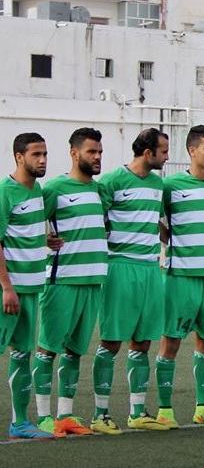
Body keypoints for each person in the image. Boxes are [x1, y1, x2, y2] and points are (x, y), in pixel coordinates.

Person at [91, 128, 170, 434]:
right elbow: (97, 220)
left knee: (143, 341)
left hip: (151, 268)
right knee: (111, 341)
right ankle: (100, 414)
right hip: (120, 266)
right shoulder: (112, 181)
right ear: (147, 153)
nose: (166, 156)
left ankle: (137, 411)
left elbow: (158, 222)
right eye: (163, 151)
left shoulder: (157, 184)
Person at [154, 126, 204, 428]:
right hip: (179, 277)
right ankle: (164, 410)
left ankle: (203, 408)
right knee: (171, 343)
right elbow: (152, 216)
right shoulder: (170, 185)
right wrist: (169, 239)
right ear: (192, 150)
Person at [32, 128, 106, 438]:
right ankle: (43, 416)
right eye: (92, 152)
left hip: (92, 283)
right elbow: (30, 226)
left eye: (100, 152)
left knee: (75, 352)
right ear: (75, 154)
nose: (98, 157)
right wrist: (44, 240)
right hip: (61, 281)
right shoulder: (55, 188)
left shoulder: (100, 191)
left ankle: (66, 414)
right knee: (47, 350)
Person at [0, 133, 54, 440]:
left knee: (21, 355)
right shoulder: (5, 192)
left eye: (45, 154)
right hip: (9, 291)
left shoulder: (37, 191)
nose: (43, 159)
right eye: (36, 154)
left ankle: (20, 422)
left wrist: (45, 241)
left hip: (32, 290)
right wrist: (6, 287)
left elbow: (18, 234)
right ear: (19, 157)